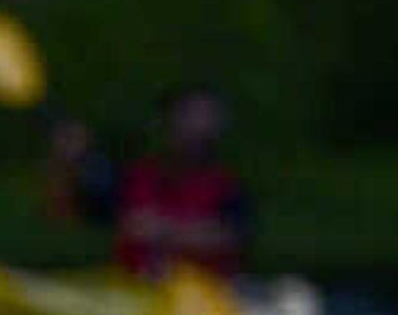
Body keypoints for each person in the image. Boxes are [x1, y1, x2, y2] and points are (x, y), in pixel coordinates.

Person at [44, 84, 254, 281]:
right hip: (136, 293)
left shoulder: (228, 187)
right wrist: (63, 164)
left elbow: (232, 236)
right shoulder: (134, 177)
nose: (194, 128)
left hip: (203, 299)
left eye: (204, 119)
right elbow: (67, 213)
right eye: (187, 117)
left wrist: (164, 230)